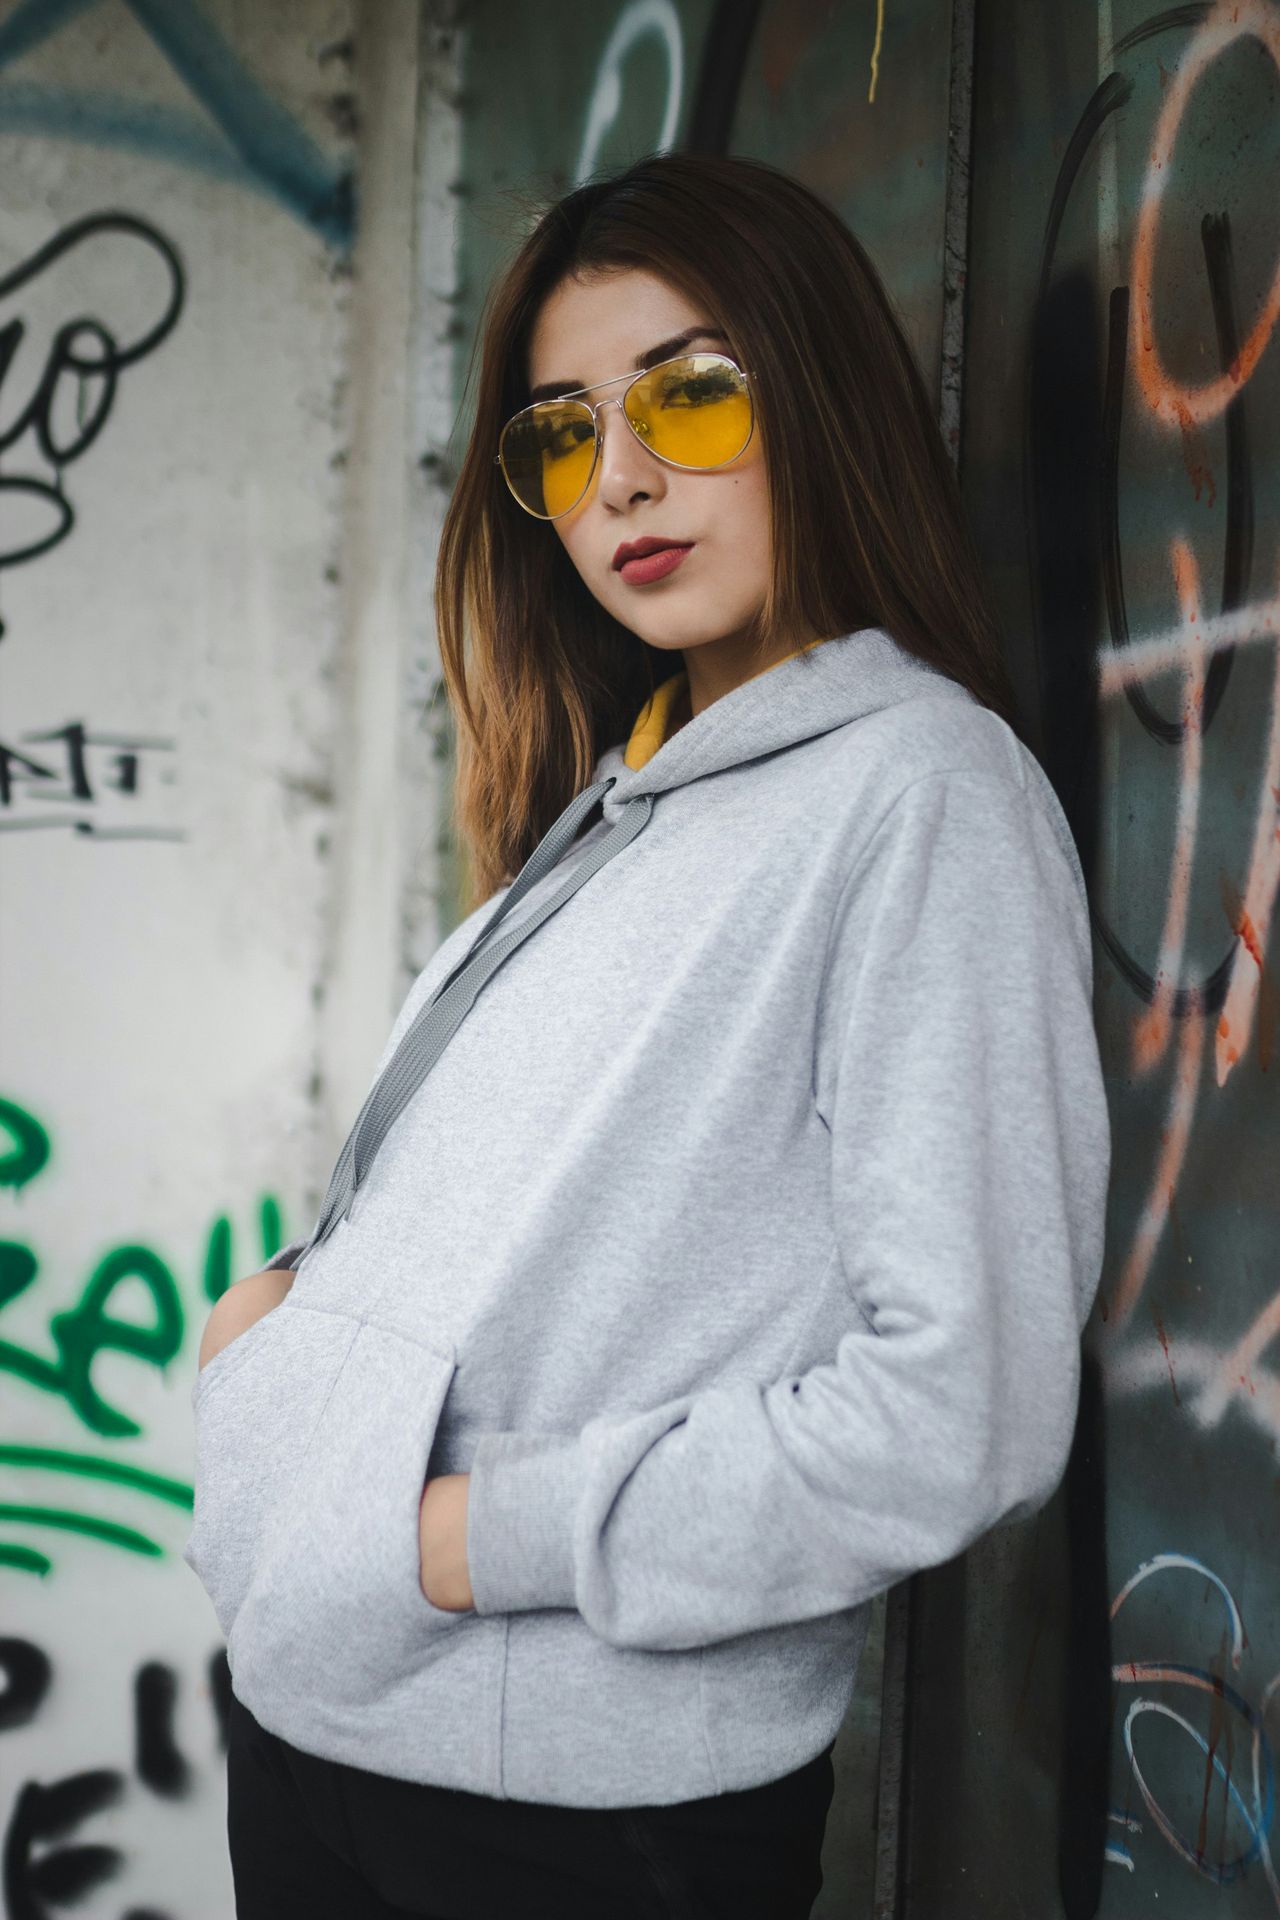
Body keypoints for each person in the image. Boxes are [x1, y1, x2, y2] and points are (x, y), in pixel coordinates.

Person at [184, 150, 1112, 1919]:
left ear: (818, 398)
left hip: (567, 1828)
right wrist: (277, 1347)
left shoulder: (923, 799)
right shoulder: (629, 792)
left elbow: (958, 1413)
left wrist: (465, 1543)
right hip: (320, 1735)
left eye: (688, 397)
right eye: (560, 432)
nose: (619, 480)